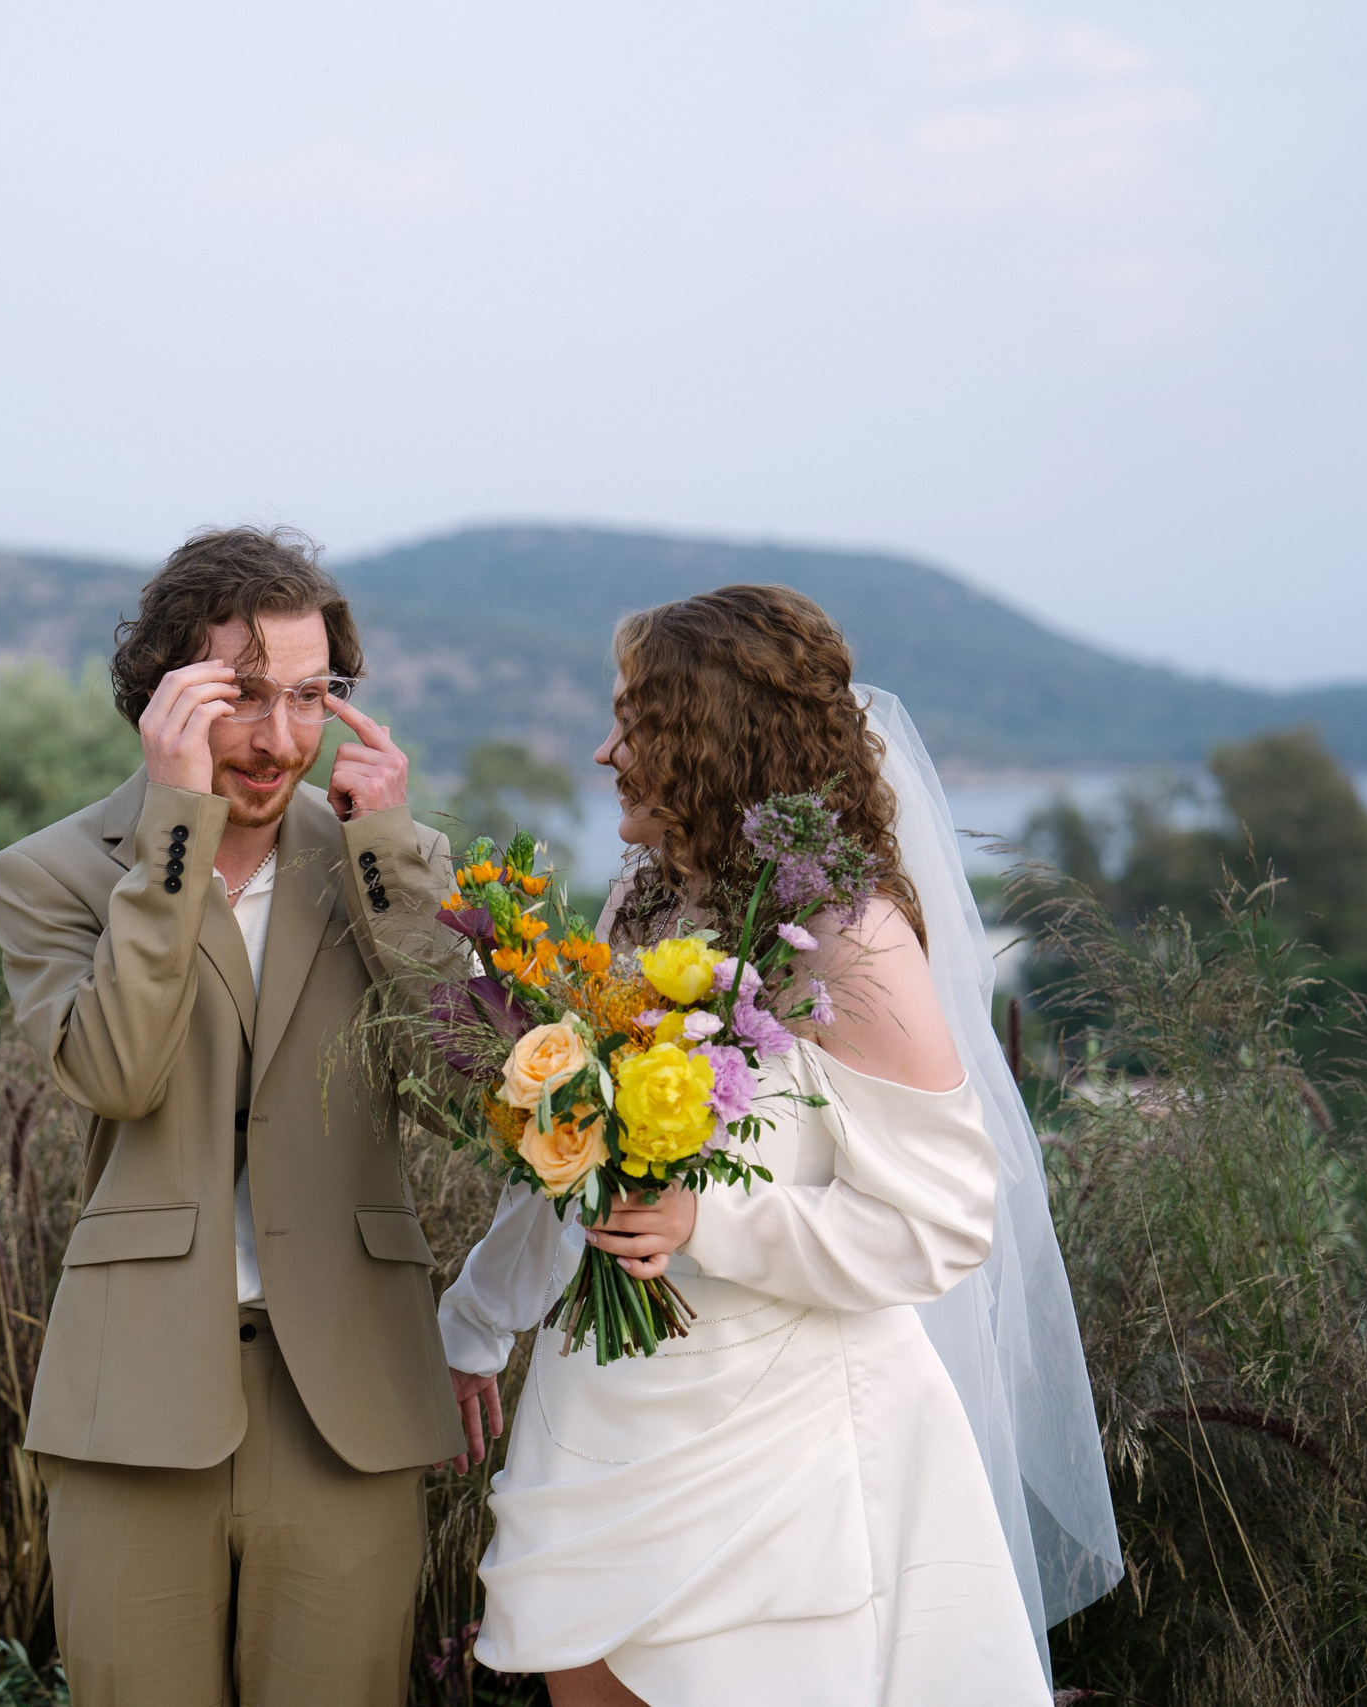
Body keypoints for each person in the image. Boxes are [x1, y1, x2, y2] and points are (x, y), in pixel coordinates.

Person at [438, 586, 1120, 1705]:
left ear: (712, 737)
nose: (605, 750)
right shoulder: (640, 906)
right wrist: (473, 1322)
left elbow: (942, 1222)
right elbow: (573, 1156)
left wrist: (709, 1220)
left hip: (785, 1446)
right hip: (603, 1409)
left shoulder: (849, 944)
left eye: (633, 721)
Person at [0, 527, 466, 1705]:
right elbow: (115, 1074)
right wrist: (174, 831)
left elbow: (471, 1090)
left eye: (311, 696)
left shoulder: (392, 861)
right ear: (164, 699)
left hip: (349, 1395)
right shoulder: (48, 876)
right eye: (242, 697)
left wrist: (391, 858)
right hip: (133, 1399)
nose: (284, 737)